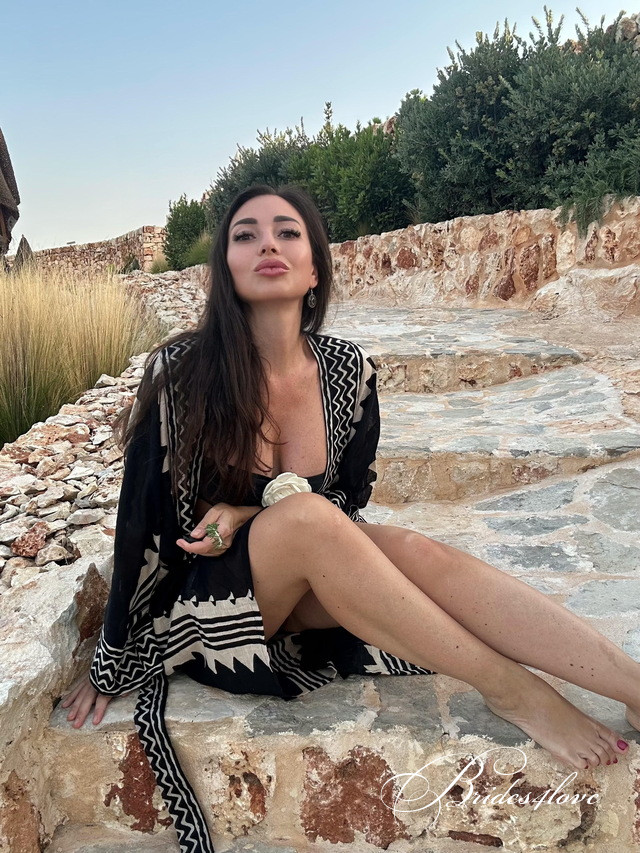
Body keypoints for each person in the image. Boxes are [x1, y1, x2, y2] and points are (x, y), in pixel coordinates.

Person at [61, 184, 638, 853]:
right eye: (245, 235)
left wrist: (248, 510)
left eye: (287, 232)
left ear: (314, 268)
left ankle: (632, 684)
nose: (268, 243)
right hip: (200, 612)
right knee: (308, 522)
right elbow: (138, 523)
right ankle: (509, 688)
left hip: (296, 586)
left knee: (416, 550)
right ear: (225, 268)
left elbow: (346, 505)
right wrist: (111, 659)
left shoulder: (347, 370)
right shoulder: (181, 371)